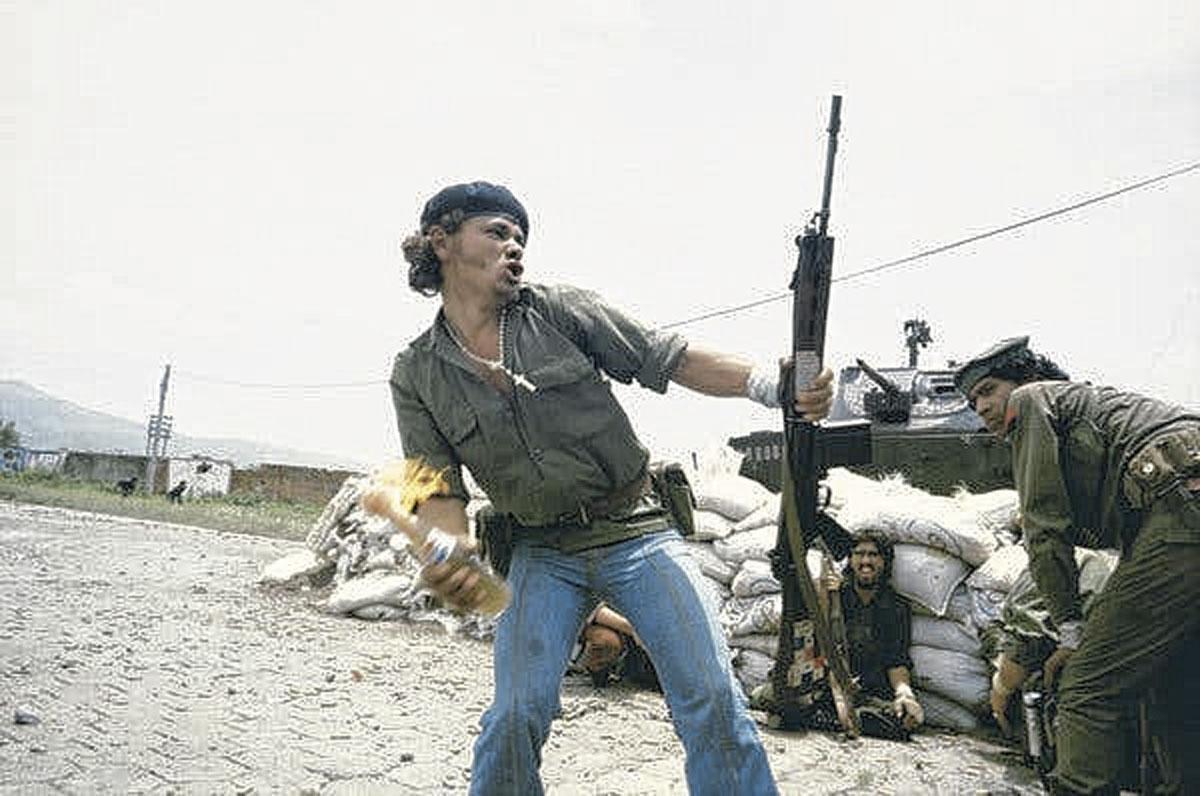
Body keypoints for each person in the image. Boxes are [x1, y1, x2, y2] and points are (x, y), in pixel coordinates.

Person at [389, 181, 834, 795]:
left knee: (709, 696)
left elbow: (667, 356)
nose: (514, 246)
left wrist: (768, 384)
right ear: (440, 241)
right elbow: (435, 485)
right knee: (515, 716)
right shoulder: (416, 373)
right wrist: (452, 559)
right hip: (540, 553)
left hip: (635, 531)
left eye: (521, 237)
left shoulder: (559, 310)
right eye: (497, 232)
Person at [956, 335, 1200, 795]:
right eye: (972, 401)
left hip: (1180, 506)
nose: (982, 408)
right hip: (1176, 512)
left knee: (1086, 686)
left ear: (1024, 379)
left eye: (988, 390)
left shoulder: (1032, 400)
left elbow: (1045, 529)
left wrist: (1070, 630)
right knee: (1171, 677)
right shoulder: (1095, 407)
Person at [824, 531, 924, 738]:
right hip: (829, 690)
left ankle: (840, 719)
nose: (866, 561)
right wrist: (823, 593)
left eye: (874, 555)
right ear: (850, 560)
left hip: (870, 693)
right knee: (769, 697)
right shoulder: (835, 596)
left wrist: (904, 693)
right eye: (859, 554)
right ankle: (844, 718)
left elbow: (897, 659)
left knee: (905, 719)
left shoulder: (896, 606)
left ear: (885, 562)